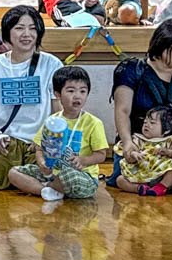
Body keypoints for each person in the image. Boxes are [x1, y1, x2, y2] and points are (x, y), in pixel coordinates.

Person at [0, 5, 64, 188]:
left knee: (51, 172)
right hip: (7, 141)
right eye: (19, 28)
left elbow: (59, 109)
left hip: (40, 141)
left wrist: (47, 141)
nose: (27, 34)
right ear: (8, 32)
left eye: (32, 28)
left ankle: (38, 186)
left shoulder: (52, 64)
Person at [110, 17, 172, 160]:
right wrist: (127, 142)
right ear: (164, 43)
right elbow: (122, 111)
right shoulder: (131, 70)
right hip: (138, 142)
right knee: (130, 177)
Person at [8, 66, 110, 200]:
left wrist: (83, 160)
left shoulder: (93, 123)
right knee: (14, 173)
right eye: (71, 91)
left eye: (83, 91)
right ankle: (46, 191)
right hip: (52, 173)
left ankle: (50, 188)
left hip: (82, 176)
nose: (77, 96)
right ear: (57, 94)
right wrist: (42, 163)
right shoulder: (51, 121)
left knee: (68, 176)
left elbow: (101, 155)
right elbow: (39, 148)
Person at [106, 104, 172, 196]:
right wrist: (134, 154)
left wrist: (168, 152)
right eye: (145, 122)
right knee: (120, 180)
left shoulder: (171, 140)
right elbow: (131, 150)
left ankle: (162, 187)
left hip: (161, 174)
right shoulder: (138, 138)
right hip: (140, 173)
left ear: (167, 130)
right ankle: (139, 189)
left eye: (152, 122)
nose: (146, 124)